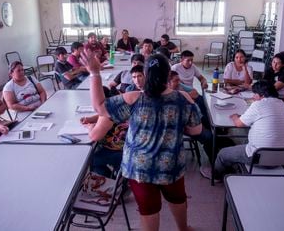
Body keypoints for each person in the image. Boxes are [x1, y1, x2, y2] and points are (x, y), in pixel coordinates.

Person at [80, 50, 202, 231]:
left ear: (146, 75)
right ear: (168, 75)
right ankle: (183, 229)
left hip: (139, 167)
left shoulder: (134, 98)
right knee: (177, 199)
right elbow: (196, 130)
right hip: (170, 165)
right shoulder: (182, 99)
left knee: (148, 209)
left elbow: (100, 107)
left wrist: (95, 73)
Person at [201, 80, 284, 180]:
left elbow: (239, 124)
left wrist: (235, 117)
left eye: (255, 94)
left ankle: (215, 175)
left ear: (262, 95)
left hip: (260, 156)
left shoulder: (258, 105)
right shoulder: (283, 105)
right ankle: (234, 166)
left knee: (222, 153)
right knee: (243, 141)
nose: (253, 97)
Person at [81, 87, 128, 178]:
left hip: (120, 152)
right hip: (128, 147)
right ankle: (113, 176)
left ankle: (108, 180)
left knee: (91, 159)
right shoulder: (117, 104)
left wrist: (91, 127)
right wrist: (91, 119)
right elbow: (102, 115)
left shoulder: (108, 113)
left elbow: (94, 136)